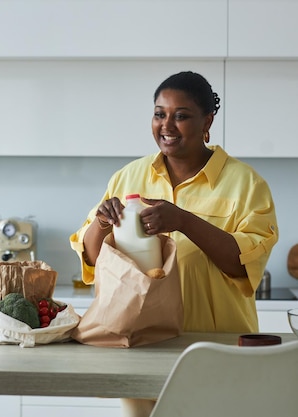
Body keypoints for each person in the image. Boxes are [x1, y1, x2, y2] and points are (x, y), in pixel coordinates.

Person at [69, 71, 278, 417]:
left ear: (207, 120)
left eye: (181, 115)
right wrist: (101, 223)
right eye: (159, 113)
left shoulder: (246, 185)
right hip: (141, 349)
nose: (167, 125)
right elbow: (93, 258)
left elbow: (243, 265)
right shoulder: (127, 177)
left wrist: (183, 221)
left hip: (216, 349)